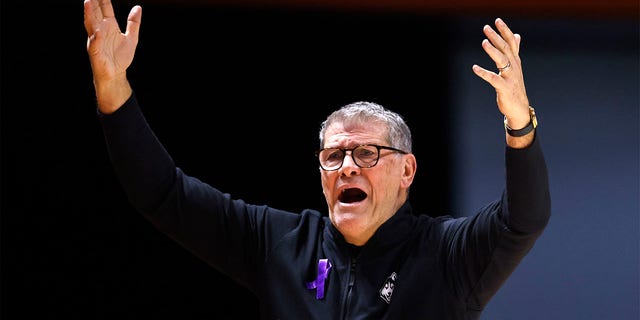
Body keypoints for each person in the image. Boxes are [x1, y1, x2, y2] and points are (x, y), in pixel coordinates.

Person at [83, 0, 551, 318]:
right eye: (333, 155)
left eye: (367, 152)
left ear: (407, 170)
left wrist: (518, 123)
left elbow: (523, 221)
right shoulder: (280, 244)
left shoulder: (447, 254)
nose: (347, 166)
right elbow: (162, 194)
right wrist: (113, 90)